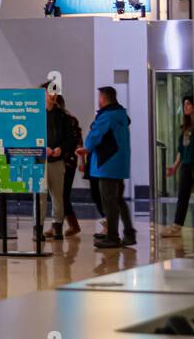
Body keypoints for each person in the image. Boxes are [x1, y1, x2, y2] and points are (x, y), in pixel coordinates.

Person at [76, 86, 135, 249]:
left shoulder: (107, 116)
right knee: (118, 199)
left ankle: (112, 237)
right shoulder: (121, 115)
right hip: (119, 164)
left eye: (99, 97)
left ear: (103, 98)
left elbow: (94, 136)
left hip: (106, 164)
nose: (98, 100)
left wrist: (86, 148)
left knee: (109, 201)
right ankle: (129, 233)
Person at [43, 87, 80, 240]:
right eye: (50, 93)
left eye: (56, 95)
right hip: (41, 160)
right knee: (41, 196)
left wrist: (61, 149)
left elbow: (73, 139)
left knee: (60, 195)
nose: (54, 97)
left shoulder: (65, 118)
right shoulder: (35, 114)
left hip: (63, 161)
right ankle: (42, 227)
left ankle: (58, 226)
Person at [162, 95, 194, 237]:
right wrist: (174, 167)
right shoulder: (186, 128)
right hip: (187, 166)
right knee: (183, 195)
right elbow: (181, 150)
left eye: (188, 104)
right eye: (184, 104)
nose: (186, 107)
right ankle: (177, 226)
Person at [55, 94, 82, 236]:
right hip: (60, 161)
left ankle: (67, 224)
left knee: (62, 195)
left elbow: (78, 141)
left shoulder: (67, 120)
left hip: (67, 161)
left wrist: (83, 162)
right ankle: (59, 223)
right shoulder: (65, 119)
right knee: (57, 195)